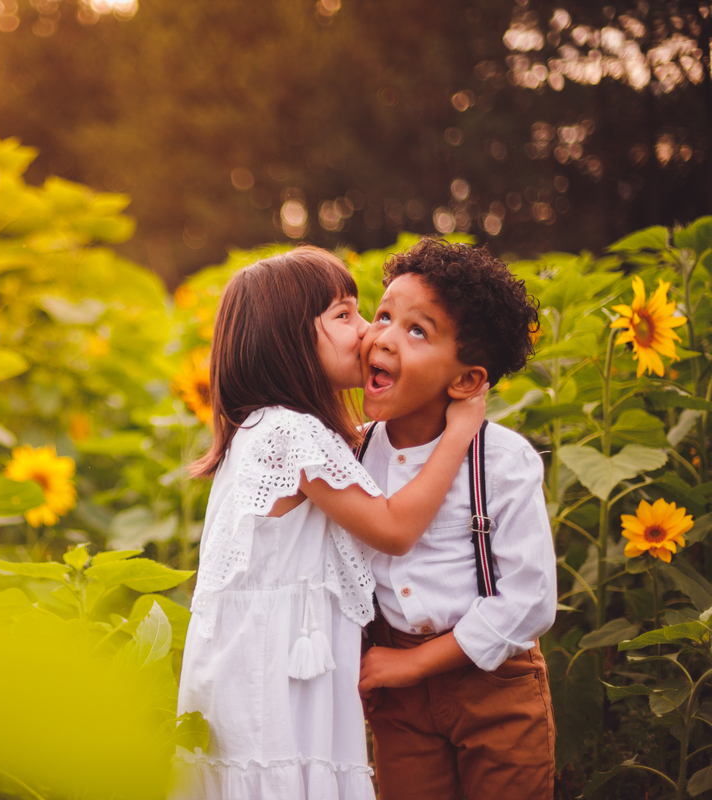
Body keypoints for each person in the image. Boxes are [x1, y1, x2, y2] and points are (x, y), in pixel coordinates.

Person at [172, 246, 487, 800]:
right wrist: (460, 430)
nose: (367, 333)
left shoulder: (264, 431)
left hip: (259, 676)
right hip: (271, 692)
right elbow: (394, 528)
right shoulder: (290, 434)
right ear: (286, 340)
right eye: (345, 316)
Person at [355, 239, 556, 800]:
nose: (385, 336)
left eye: (418, 331)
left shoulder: (501, 461)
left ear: (466, 381)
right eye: (384, 315)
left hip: (495, 686)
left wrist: (414, 664)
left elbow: (529, 600)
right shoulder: (352, 453)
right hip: (396, 692)